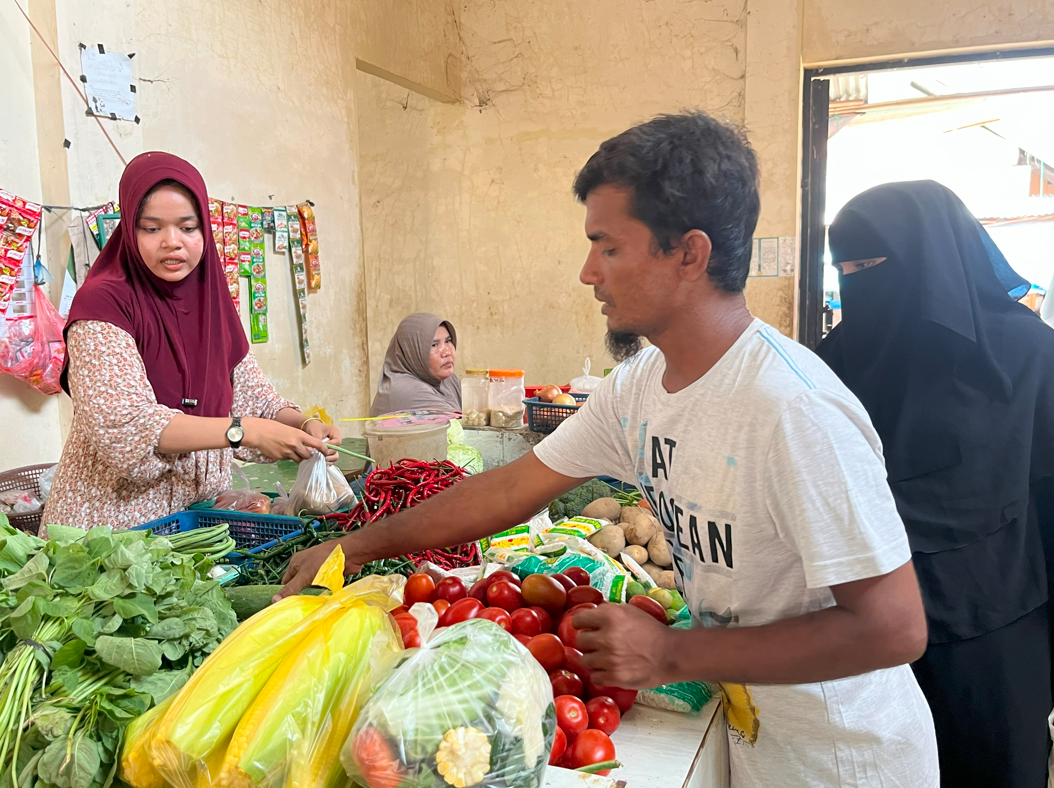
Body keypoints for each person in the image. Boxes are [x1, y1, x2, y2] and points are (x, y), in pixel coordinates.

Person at [278, 112, 939, 787]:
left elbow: (894, 628)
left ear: (690, 254)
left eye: (608, 246)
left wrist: (673, 654)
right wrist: (351, 546)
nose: (588, 272)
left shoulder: (794, 410)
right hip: (760, 743)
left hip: (849, 761)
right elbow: (508, 490)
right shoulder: (641, 386)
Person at [815, 181, 1054, 788]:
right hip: (865, 633)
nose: (857, 282)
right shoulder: (832, 360)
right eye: (845, 268)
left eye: (871, 265)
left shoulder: (1025, 355)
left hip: (992, 629)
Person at [43, 151, 340, 531]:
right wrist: (242, 431)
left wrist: (305, 424)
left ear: (205, 230)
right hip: (111, 532)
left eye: (188, 227)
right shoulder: (103, 303)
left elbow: (254, 399)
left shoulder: (211, 302)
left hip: (193, 529)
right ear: (130, 233)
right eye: (152, 228)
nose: (172, 242)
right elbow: (128, 424)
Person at [369, 313, 461, 417]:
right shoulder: (405, 391)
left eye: (448, 341)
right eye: (434, 345)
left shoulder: (447, 381)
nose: (447, 352)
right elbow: (462, 427)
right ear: (411, 352)